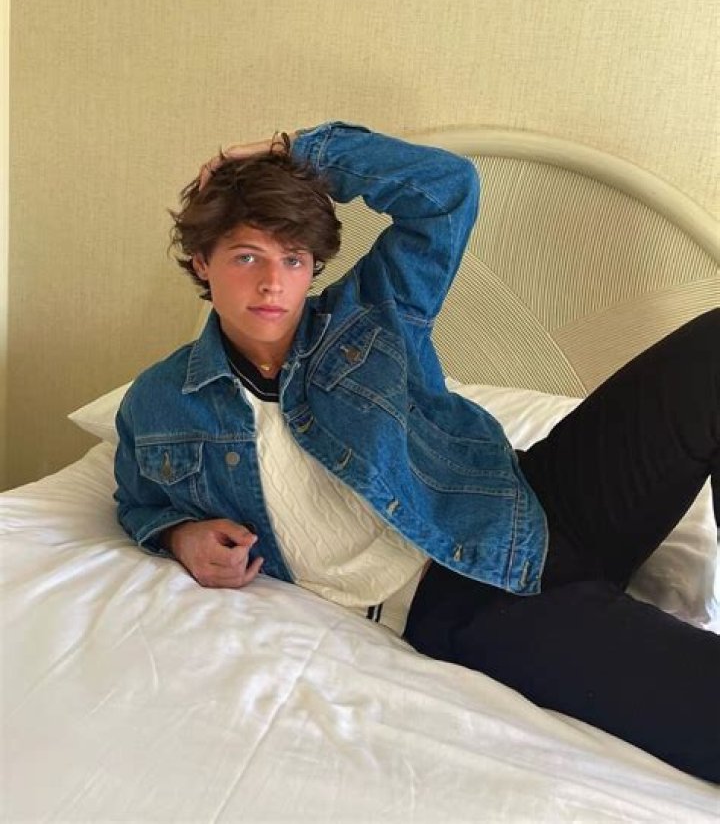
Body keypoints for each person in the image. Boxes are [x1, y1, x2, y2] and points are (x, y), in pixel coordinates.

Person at [114, 121, 720, 782]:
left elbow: (448, 190)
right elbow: (138, 499)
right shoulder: (160, 402)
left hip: (528, 499)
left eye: (293, 259)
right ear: (202, 262)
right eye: (246, 257)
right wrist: (178, 535)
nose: (272, 284)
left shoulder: (374, 311)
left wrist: (296, 151)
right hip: (460, 603)